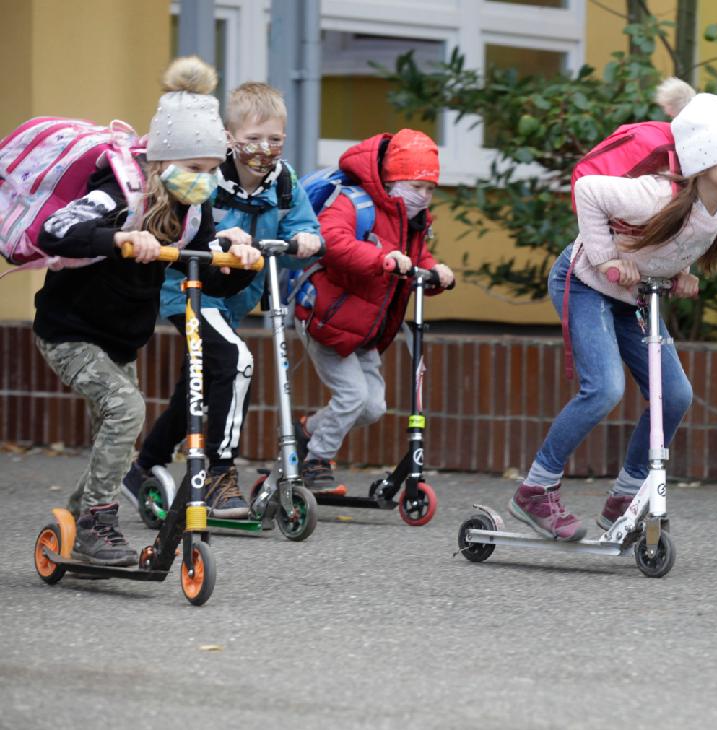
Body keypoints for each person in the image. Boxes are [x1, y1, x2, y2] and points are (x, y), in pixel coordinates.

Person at [33, 57, 260, 565]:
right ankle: (95, 523)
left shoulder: (191, 210)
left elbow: (210, 273)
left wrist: (239, 256)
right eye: (195, 171)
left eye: (211, 171)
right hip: (69, 333)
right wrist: (118, 237)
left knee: (112, 430)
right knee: (126, 410)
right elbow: (54, 230)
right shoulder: (120, 191)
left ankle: (76, 521)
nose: (206, 182)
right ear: (163, 162)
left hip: (120, 339)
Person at [511, 78, 717, 541]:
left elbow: (671, 242)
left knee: (676, 394)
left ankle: (624, 496)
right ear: (705, 160)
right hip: (583, 283)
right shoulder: (653, 194)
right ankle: (535, 490)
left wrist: (678, 271)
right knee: (603, 389)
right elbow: (589, 192)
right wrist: (605, 260)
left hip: (635, 297)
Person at [122, 81, 322, 519]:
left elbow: (304, 227)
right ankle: (218, 472)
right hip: (188, 292)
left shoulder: (285, 182)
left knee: (194, 387)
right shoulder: (208, 177)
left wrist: (305, 240)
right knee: (235, 361)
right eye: (252, 139)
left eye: (274, 139)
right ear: (230, 139)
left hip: (236, 298)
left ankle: (142, 468)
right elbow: (180, 222)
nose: (263, 148)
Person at [293, 129, 454, 491]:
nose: (424, 197)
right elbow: (331, 241)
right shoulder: (354, 202)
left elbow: (416, 260)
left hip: (367, 330)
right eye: (417, 187)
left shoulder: (414, 221)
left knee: (372, 407)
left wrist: (436, 274)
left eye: (430, 190)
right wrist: (381, 259)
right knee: (351, 397)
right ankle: (315, 461)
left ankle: (306, 431)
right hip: (329, 319)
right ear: (392, 179)